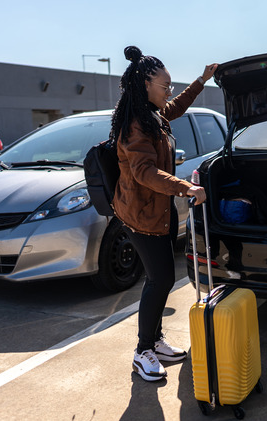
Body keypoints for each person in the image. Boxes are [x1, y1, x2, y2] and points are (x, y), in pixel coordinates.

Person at [110, 45, 216, 382]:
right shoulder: (135, 126)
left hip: (158, 211)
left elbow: (176, 107)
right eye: (164, 86)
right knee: (160, 280)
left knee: (161, 279)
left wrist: (200, 81)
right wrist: (185, 187)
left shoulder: (153, 115)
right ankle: (143, 352)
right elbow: (143, 171)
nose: (168, 92)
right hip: (141, 215)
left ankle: (154, 341)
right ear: (144, 86)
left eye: (170, 86)